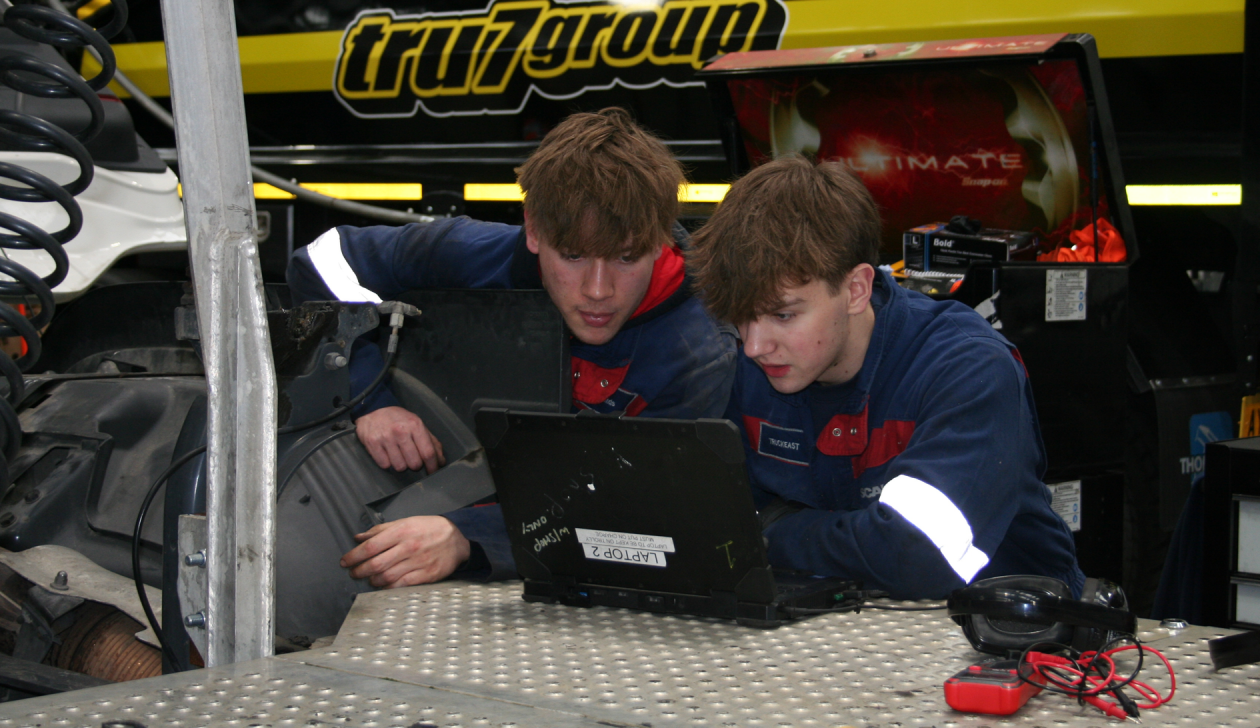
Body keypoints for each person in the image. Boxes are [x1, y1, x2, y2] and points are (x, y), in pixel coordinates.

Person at [287, 107, 738, 587]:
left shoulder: (701, 352)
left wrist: (469, 536)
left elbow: (642, 513)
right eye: (573, 256)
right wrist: (368, 397)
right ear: (535, 231)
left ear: (657, 241)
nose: (598, 290)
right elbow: (321, 260)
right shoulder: (485, 253)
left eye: (626, 257)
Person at [687, 155, 1084, 600]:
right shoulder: (749, 365)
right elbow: (704, 523)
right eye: (741, 316)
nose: (756, 345)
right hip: (834, 630)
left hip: (1011, 641)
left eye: (783, 314)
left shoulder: (965, 368)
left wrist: (773, 530)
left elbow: (919, 558)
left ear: (856, 289)